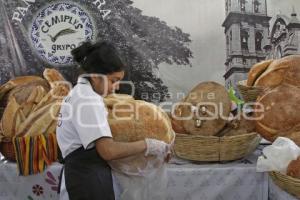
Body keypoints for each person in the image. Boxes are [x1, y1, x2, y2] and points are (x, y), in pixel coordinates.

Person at [56, 41, 171, 200]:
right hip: (86, 181)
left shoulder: (78, 93)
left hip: (85, 175)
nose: (116, 87)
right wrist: (149, 145)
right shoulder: (88, 99)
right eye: (113, 80)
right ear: (96, 76)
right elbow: (108, 151)